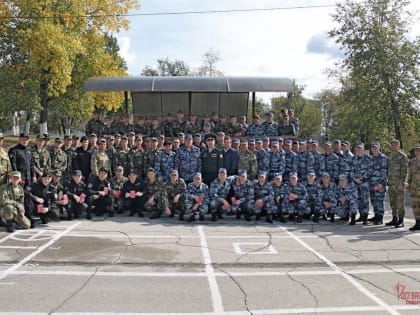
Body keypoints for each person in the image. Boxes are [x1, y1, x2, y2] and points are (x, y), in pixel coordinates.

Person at [387, 139, 408, 228]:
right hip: (391, 184)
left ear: (399, 146)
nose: (393, 146)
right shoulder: (390, 156)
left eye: (395, 145)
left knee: (400, 203)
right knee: (392, 202)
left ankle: (401, 220)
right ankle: (394, 218)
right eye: (392, 145)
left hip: (399, 184)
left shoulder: (402, 156)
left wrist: (402, 183)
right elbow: (389, 170)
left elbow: (405, 171)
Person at [351, 143, 373, 224]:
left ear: (363, 149)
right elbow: (351, 170)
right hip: (355, 183)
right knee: (356, 200)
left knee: (365, 201)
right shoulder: (354, 158)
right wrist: (354, 179)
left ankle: (365, 218)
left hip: (364, 183)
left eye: (360, 148)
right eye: (358, 148)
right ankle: (358, 216)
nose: (359, 149)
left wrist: (363, 179)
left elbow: (370, 170)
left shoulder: (368, 158)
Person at [369, 142, 388, 225]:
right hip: (372, 183)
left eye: (376, 147)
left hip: (379, 184)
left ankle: (380, 218)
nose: (374, 149)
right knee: (373, 200)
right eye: (373, 148)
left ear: (379, 148)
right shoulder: (372, 158)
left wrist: (381, 183)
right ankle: (376, 215)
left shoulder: (383, 158)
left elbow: (384, 171)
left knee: (379, 201)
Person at [408, 144, 420, 231]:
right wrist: (408, 184)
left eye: (419, 150)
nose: (417, 152)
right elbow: (410, 175)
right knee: (415, 206)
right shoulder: (412, 162)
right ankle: (417, 223)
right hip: (414, 188)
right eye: (416, 150)